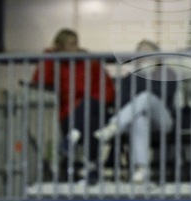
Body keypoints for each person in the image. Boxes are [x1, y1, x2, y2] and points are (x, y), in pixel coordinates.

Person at [31, 28, 115, 184]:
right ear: (60, 46)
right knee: (92, 124)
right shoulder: (55, 62)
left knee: (88, 107)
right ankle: (92, 169)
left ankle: (72, 139)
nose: (75, 48)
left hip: (97, 106)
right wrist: (50, 56)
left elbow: (108, 88)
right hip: (69, 113)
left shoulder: (91, 62)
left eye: (76, 43)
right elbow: (41, 80)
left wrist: (93, 101)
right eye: (71, 44)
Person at [93, 40, 179, 184]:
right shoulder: (131, 77)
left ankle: (113, 126)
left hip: (163, 120)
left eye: (147, 52)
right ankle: (141, 170)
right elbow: (121, 102)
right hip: (138, 120)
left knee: (145, 97)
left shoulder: (169, 73)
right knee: (139, 119)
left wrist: (147, 75)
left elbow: (163, 95)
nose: (143, 56)